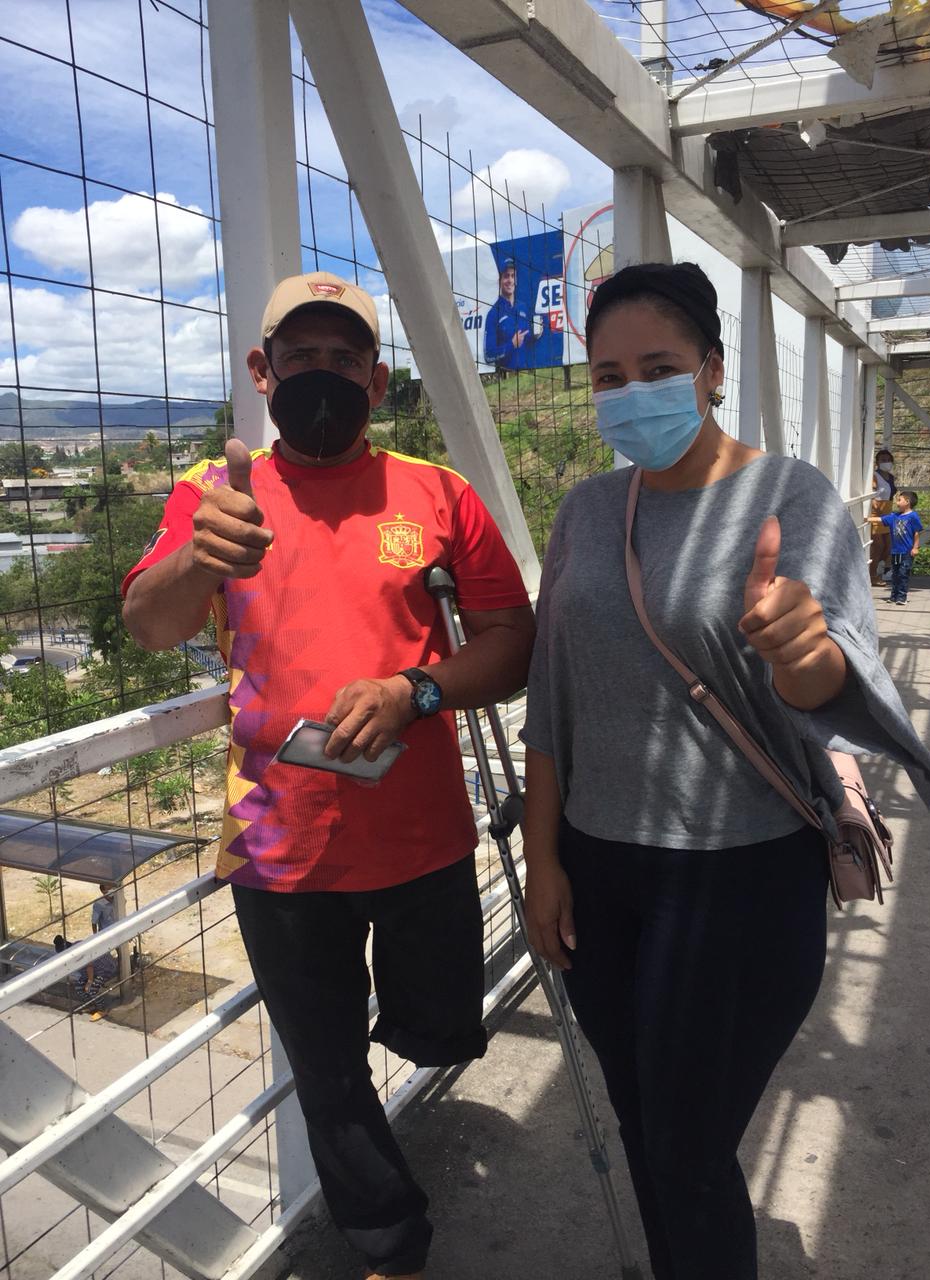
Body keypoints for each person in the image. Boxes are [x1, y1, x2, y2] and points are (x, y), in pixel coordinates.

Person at [519, 262, 930, 1280]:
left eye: (659, 368)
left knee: (687, 1146)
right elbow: (551, 695)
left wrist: (803, 655)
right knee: (643, 1120)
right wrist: (543, 859)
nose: (632, 393)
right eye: (609, 376)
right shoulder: (587, 510)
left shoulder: (792, 498)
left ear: (713, 369)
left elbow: (829, 675)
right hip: (598, 866)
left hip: (738, 877)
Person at [122, 270, 534, 1280]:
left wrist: (416, 690)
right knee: (330, 1071)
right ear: (261, 372)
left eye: (343, 359)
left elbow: (512, 641)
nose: (321, 374)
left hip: (426, 836)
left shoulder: (439, 493)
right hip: (279, 846)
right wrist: (198, 559)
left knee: (439, 1029)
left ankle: (419, 1046)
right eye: (298, 356)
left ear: (376, 380)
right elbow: (149, 624)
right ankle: (392, 1243)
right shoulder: (212, 494)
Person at [483, 258, 534, 370]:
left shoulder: (523, 307)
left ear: (516, 280)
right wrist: (512, 344)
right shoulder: (493, 314)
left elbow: (527, 339)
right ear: (500, 281)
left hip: (527, 374)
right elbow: (488, 356)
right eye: (506, 276)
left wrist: (535, 333)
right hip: (506, 376)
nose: (510, 280)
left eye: (513, 276)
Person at [54, 934, 117, 1021]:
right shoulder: (75, 945)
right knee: (79, 987)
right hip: (94, 970)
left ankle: (103, 1009)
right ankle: (92, 1004)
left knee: (91, 989)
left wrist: (89, 982)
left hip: (105, 969)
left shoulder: (76, 953)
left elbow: (89, 966)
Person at [882, 489, 923, 606]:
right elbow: (880, 519)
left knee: (903, 574)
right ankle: (894, 596)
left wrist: (915, 548)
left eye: (899, 500)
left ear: (907, 502)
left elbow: (917, 533)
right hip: (895, 551)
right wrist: (865, 519)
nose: (897, 503)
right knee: (895, 575)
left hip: (906, 552)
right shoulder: (894, 516)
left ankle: (902, 597)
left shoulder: (913, 516)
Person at [869, 448, 897, 586]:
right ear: (877, 462)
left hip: (888, 513)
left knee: (888, 547)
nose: (886, 462)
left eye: (888, 460)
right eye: (883, 460)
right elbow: (873, 495)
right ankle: (872, 575)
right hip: (876, 514)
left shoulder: (891, 477)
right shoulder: (874, 476)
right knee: (878, 546)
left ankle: (880, 571)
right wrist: (878, 510)